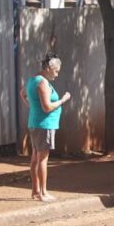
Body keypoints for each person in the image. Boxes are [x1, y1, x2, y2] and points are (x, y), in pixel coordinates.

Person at [20, 53, 72, 202]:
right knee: (42, 159)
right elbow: (47, 107)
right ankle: (43, 192)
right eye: (56, 71)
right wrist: (63, 100)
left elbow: (22, 94)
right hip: (44, 125)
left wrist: (32, 108)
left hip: (35, 123)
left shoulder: (32, 80)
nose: (56, 75)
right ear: (49, 68)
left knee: (35, 159)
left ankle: (35, 191)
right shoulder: (42, 83)